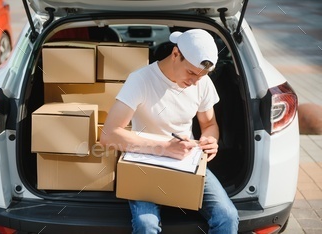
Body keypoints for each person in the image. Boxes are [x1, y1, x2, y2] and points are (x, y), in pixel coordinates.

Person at [100, 29, 239, 234]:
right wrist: (165, 148)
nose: (194, 82)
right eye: (191, 73)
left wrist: (210, 140)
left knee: (227, 216)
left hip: (186, 161)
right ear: (175, 54)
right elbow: (109, 134)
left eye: (201, 76)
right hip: (144, 162)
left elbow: (209, 124)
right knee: (146, 225)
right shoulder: (140, 80)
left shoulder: (202, 83)